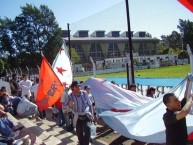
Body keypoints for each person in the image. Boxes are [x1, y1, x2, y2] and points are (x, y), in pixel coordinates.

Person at [163, 77, 193, 145]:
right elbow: (184, 112)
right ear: (168, 105)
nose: (179, 101)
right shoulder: (167, 116)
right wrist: (191, 100)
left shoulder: (178, 107)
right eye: (175, 100)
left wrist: (188, 81)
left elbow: (186, 96)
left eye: (178, 99)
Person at [65, 81, 94, 145]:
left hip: (86, 115)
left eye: (79, 86)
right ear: (73, 88)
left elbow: (90, 104)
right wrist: (69, 105)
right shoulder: (70, 96)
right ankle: (81, 143)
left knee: (88, 130)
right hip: (78, 117)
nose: (79, 87)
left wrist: (92, 113)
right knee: (79, 133)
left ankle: (86, 143)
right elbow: (65, 106)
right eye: (77, 86)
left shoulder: (84, 93)